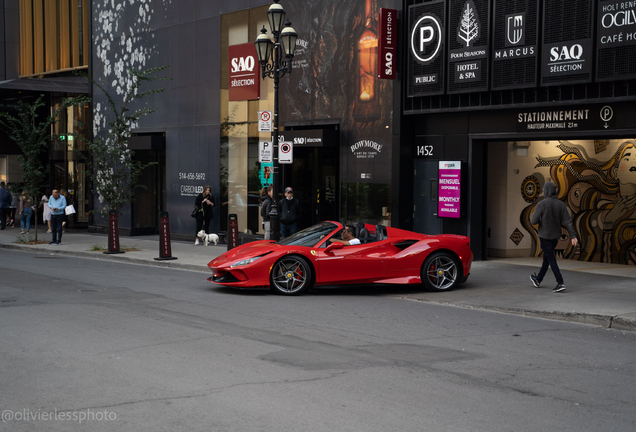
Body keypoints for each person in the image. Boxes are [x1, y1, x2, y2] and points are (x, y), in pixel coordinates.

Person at [530, 181, 578, 293]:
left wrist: (542, 219)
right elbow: (568, 221)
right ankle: (538, 279)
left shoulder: (541, 204)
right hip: (555, 237)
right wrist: (573, 236)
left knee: (551, 259)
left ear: (546, 191)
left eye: (543, 190)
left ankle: (560, 282)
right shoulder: (560, 204)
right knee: (547, 259)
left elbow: (533, 221)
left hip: (544, 237)